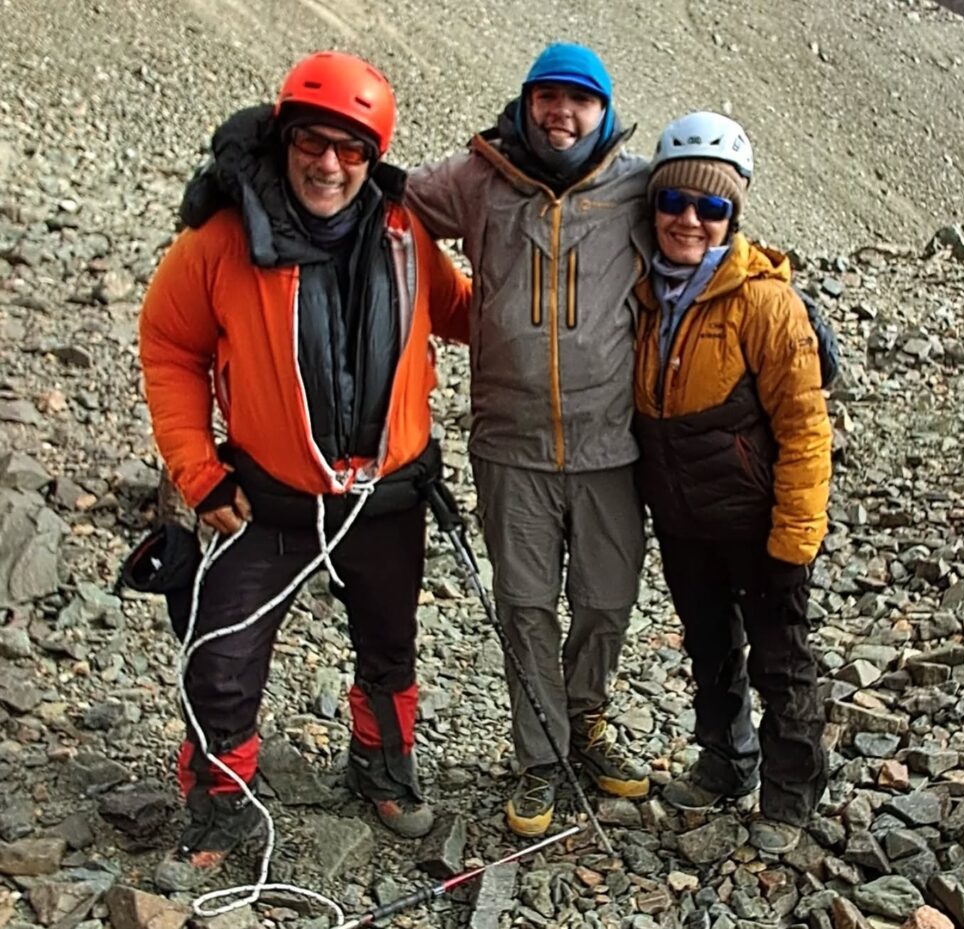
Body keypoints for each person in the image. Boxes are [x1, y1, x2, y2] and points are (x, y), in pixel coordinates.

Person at [137, 51, 471, 887]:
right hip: (263, 498)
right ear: (285, 139)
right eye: (313, 142)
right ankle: (220, 798)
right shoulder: (220, 239)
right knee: (222, 656)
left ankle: (382, 769)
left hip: (387, 497)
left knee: (390, 646)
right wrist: (198, 471)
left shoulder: (405, 233)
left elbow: (463, 312)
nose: (330, 163)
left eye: (351, 149)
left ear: (374, 153)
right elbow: (169, 345)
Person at [405, 43, 651, 838]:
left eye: (580, 100)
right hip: (510, 441)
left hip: (612, 443)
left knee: (605, 601)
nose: (562, 113)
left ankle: (586, 717)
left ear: (603, 111)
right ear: (527, 103)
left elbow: (709, 224)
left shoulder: (638, 186)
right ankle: (540, 753)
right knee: (524, 605)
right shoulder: (481, 178)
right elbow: (392, 203)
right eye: (548, 96)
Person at [632, 112, 832, 854]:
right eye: (674, 202)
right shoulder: (646, 294)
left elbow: (807, 428)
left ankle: (789, 789)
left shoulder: (766, 302)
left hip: (756, 519)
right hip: (685, 519)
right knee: (710, 648)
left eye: (711, 207)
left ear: (732, 215)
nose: (689, 219)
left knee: (782, 659)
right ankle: (725, 761)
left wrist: (796, 535)